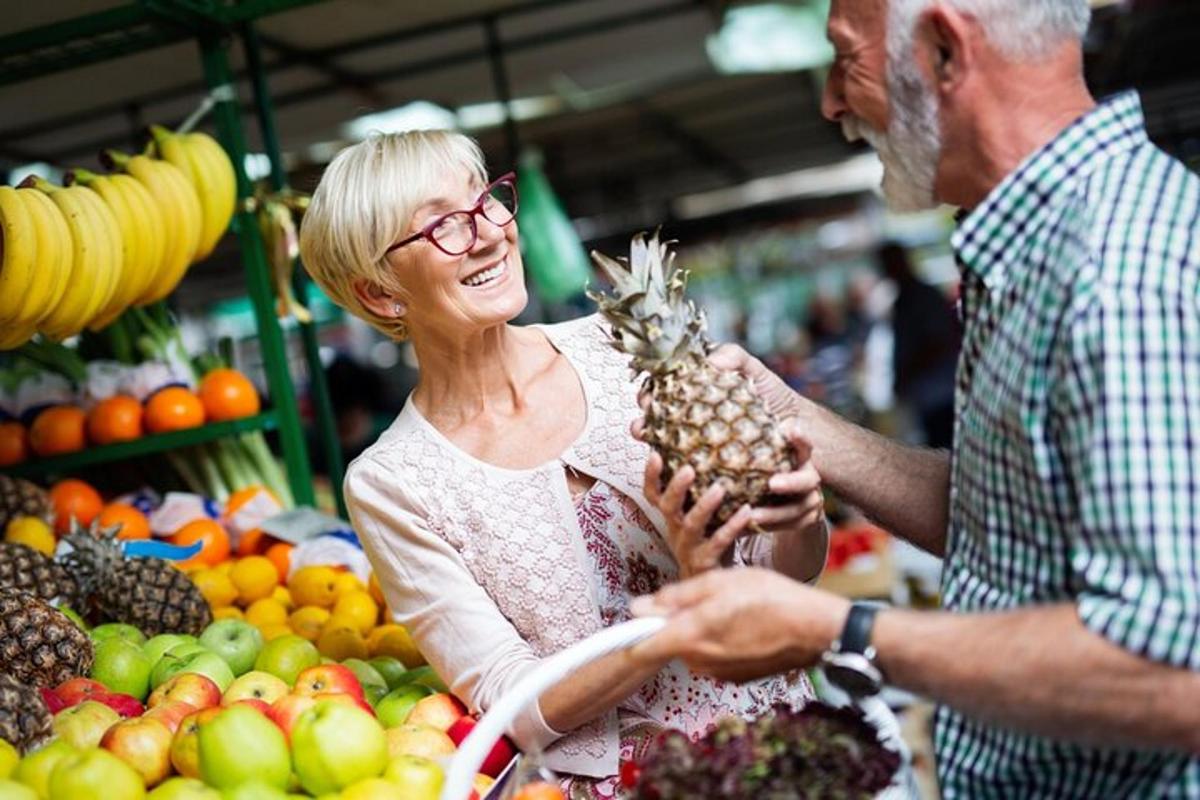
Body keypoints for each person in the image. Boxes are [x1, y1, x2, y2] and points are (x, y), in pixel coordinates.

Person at [632, 0, 1200, 797]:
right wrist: (796, 420)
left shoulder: (1115, 277)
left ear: (941, 50)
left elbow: (1172, 670)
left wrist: (836, 626)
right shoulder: (1047, 248)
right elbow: (1013, 520)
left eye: (844, 58)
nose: (830, 100)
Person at [297, 130, 829, 796]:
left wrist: (799, 518)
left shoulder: (625, 346)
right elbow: (514, 706)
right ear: (380, 294)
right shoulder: (392, 482)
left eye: (488, 201)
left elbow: (788, 573)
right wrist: (676, 614)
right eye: (444, 226)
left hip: (783, 746)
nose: (490, 233)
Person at [880, 242, 958, 448]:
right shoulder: (903, 299)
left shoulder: (923, 296)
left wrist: (909, 372)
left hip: (941, 395)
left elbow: (938, 342)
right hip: (926, 398)